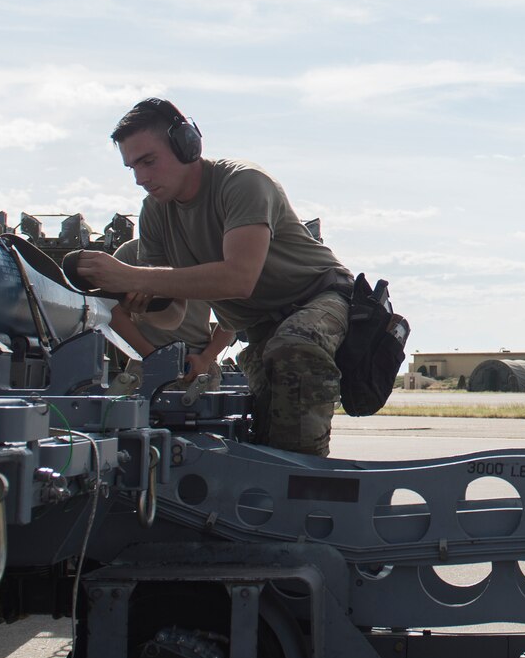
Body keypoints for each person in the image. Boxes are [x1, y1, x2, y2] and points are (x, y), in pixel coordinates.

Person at [68, 98, 353, 456]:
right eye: (132, 168)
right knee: (269, 434)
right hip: (266, 328)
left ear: (187, 146)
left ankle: (308, 482)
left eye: (149, 161)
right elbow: (174, 314)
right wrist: (141, 303)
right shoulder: (155, 212)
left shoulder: (243, 183)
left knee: (295, 348)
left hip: (321, 297)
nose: (141, 179)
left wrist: (133, 276)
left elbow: (238, 279)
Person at [108, 237, 236, 392]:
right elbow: (114, 312)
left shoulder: (210, 255)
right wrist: (152, 356)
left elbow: (233, 315)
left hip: (198, 368)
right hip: (145, 364)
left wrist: (206, 358)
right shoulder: (129, 253)